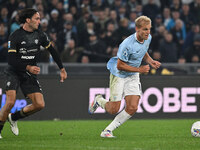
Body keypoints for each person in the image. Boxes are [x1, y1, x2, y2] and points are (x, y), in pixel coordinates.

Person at [89, 16, 161, 138]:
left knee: (132, 107)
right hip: (119, 74)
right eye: (145, 29)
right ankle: (99, 100)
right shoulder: (127, 44)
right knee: (113, 109)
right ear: (137, 29)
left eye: (149, 29)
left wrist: (150, 61)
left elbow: (143, 50)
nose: (148, 32)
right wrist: (140, 69)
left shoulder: (148, 38)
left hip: (133, 75)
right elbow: (120, 65)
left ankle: (107, 131)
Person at [0, 8, 67, 139]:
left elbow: (52, 50)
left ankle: (13, 117)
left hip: (28, 73)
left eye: (39, 18)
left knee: (39, 104)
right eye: (36, 18)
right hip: (14, 71)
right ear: (28, 20)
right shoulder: (15, 36)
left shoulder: (40, 35)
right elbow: (12, 60)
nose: (39, 21)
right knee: (10, 102)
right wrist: (28, 67)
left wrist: (62, 68)